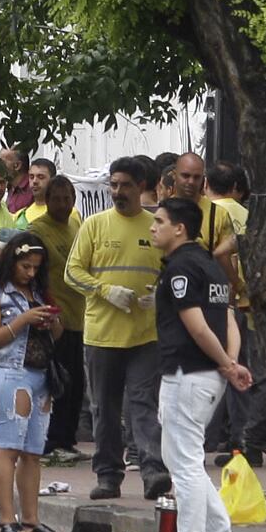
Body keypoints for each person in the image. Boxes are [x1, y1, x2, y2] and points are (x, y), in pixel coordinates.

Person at [144, 196, 253, 532]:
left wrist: (226, 363)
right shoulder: (211, 266)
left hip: (187, 373)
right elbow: (230, 321)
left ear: (180, 228)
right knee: (184, 457)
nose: (153, 227)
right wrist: (230, 362)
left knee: (184, 463)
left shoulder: (181, 268)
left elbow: (198, 326)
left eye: (159, 221)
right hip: (208, 374)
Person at [65, 154, 166, 502]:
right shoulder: (94, 226)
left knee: (143, 405)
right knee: (104, 409)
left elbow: (173, 269)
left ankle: (153, 471)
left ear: (141, 187)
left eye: (125, 185)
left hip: (144, 335)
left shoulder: (156, 227)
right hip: (102, 335)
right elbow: (72, 272)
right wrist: (107, 290)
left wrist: (162, 294)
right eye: (113, 185)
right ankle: (108, 476)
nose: (117, 191)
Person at [0, 231, 66, 532]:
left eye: (36, 268)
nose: (30, 273)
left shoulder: (39, 293)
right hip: (9, 373)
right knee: (9, 446)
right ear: (12, 262)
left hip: (39, 376)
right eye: (25, 266)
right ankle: (6, 519)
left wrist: (50, 322)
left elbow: (57, 335)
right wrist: (23, 320)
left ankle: (31, 519)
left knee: (33, 452)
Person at [200, 163, 266, 464]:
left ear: (206, 185)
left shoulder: (202, 214)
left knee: (213, 367)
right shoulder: (248, 216)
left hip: (207, 303)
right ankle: (240, 440)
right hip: (244, 302)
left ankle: (208, 438)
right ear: (238, 189)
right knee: (242, 370)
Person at [23, 168, 86, 465]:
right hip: (53, 319)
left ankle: (67, 439)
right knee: (55, 381)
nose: (62, 205)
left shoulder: (77, 226)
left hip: (79, 318)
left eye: (67, 199)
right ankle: (51, 441)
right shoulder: (37, 230)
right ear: (46, 200)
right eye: (57, 199)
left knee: (75, 383)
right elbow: (32, 275)